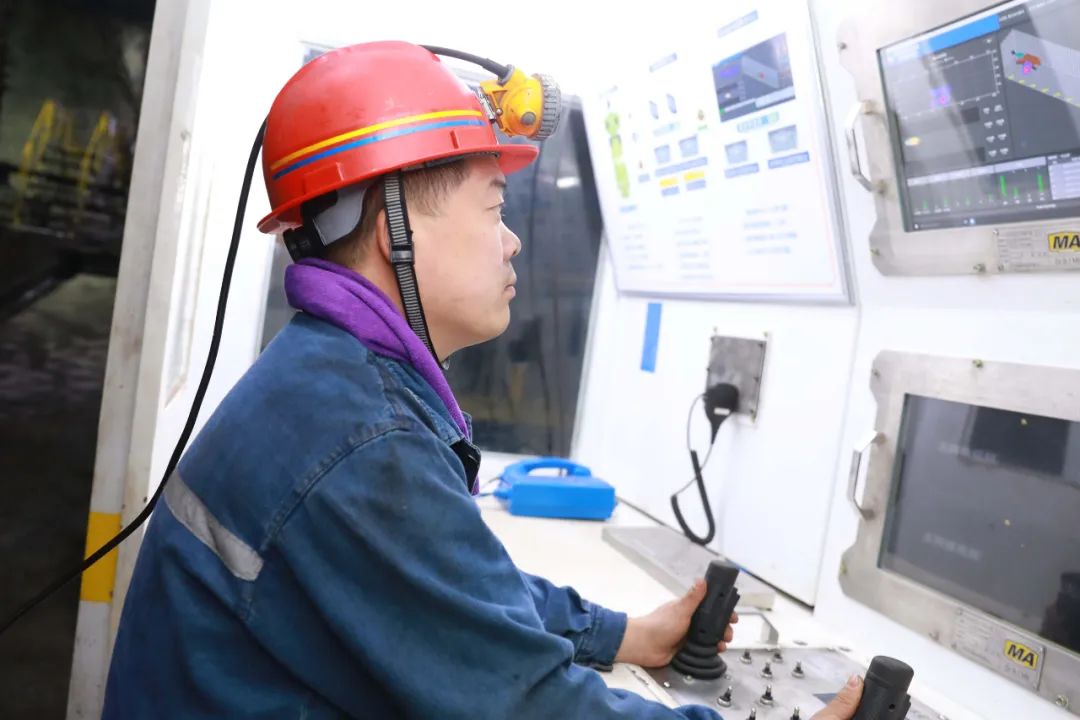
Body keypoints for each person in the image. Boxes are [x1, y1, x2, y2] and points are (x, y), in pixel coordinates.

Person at [103, 41, 864, 719]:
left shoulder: (330, 379)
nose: (513, 241)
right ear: (395, 229)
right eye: (495, 208)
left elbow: (448, 592)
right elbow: (526, 704)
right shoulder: (363, 439)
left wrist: (621, 634)